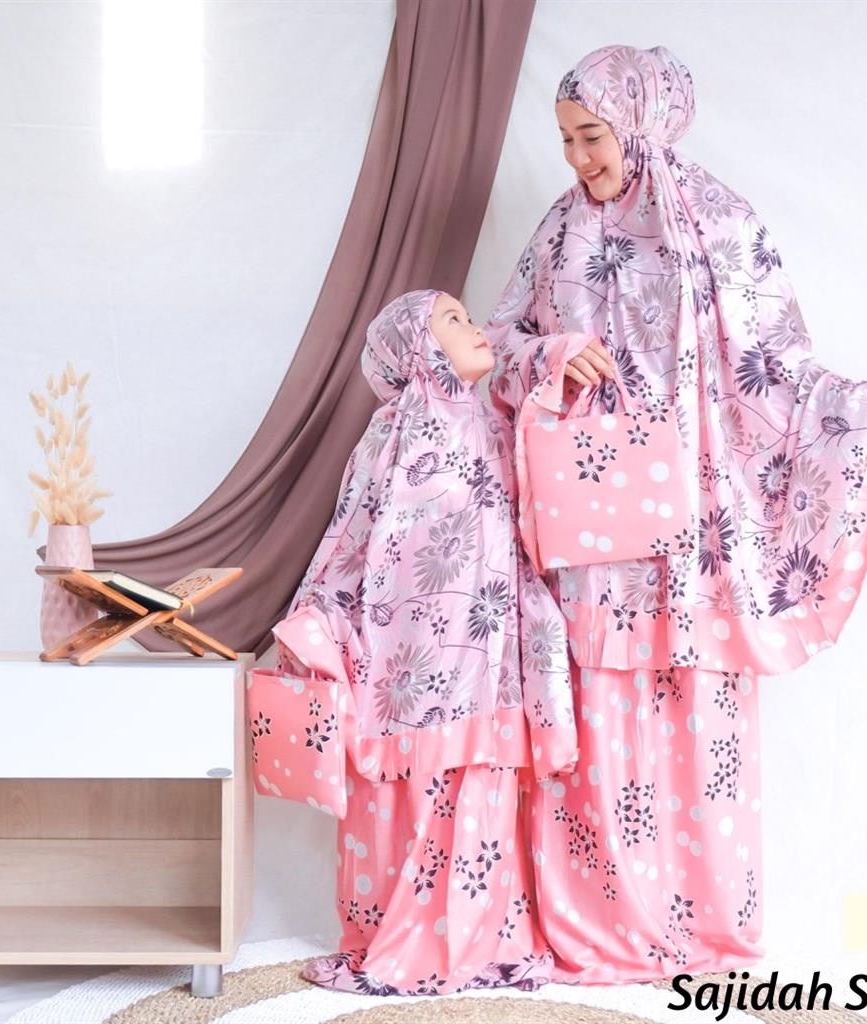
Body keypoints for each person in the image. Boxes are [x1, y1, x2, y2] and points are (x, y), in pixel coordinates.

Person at [484, 44, 867, 983]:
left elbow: (777, 370)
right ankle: (600, 922)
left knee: (701, 717)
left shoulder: (721, 223)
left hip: (694, 527)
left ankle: (705, 925)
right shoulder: (559, 230)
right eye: (565, 140)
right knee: (595, 714)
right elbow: (498, 343)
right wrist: (550, 355)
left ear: (640, 123)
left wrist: (862, 412)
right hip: (591, 522)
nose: (579, 159)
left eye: (593, 136)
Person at [247, 288, 577, 995]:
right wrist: (318, 619)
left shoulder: (497, 427)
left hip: (487, 658)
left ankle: (485, 937)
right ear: (417, 347)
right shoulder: (390, 436)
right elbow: (352, 533)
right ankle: (403, 935)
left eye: (468, 316)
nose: (474, 327)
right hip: (407, 661)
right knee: (409, 786)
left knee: (482, 782)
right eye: (452, 320)